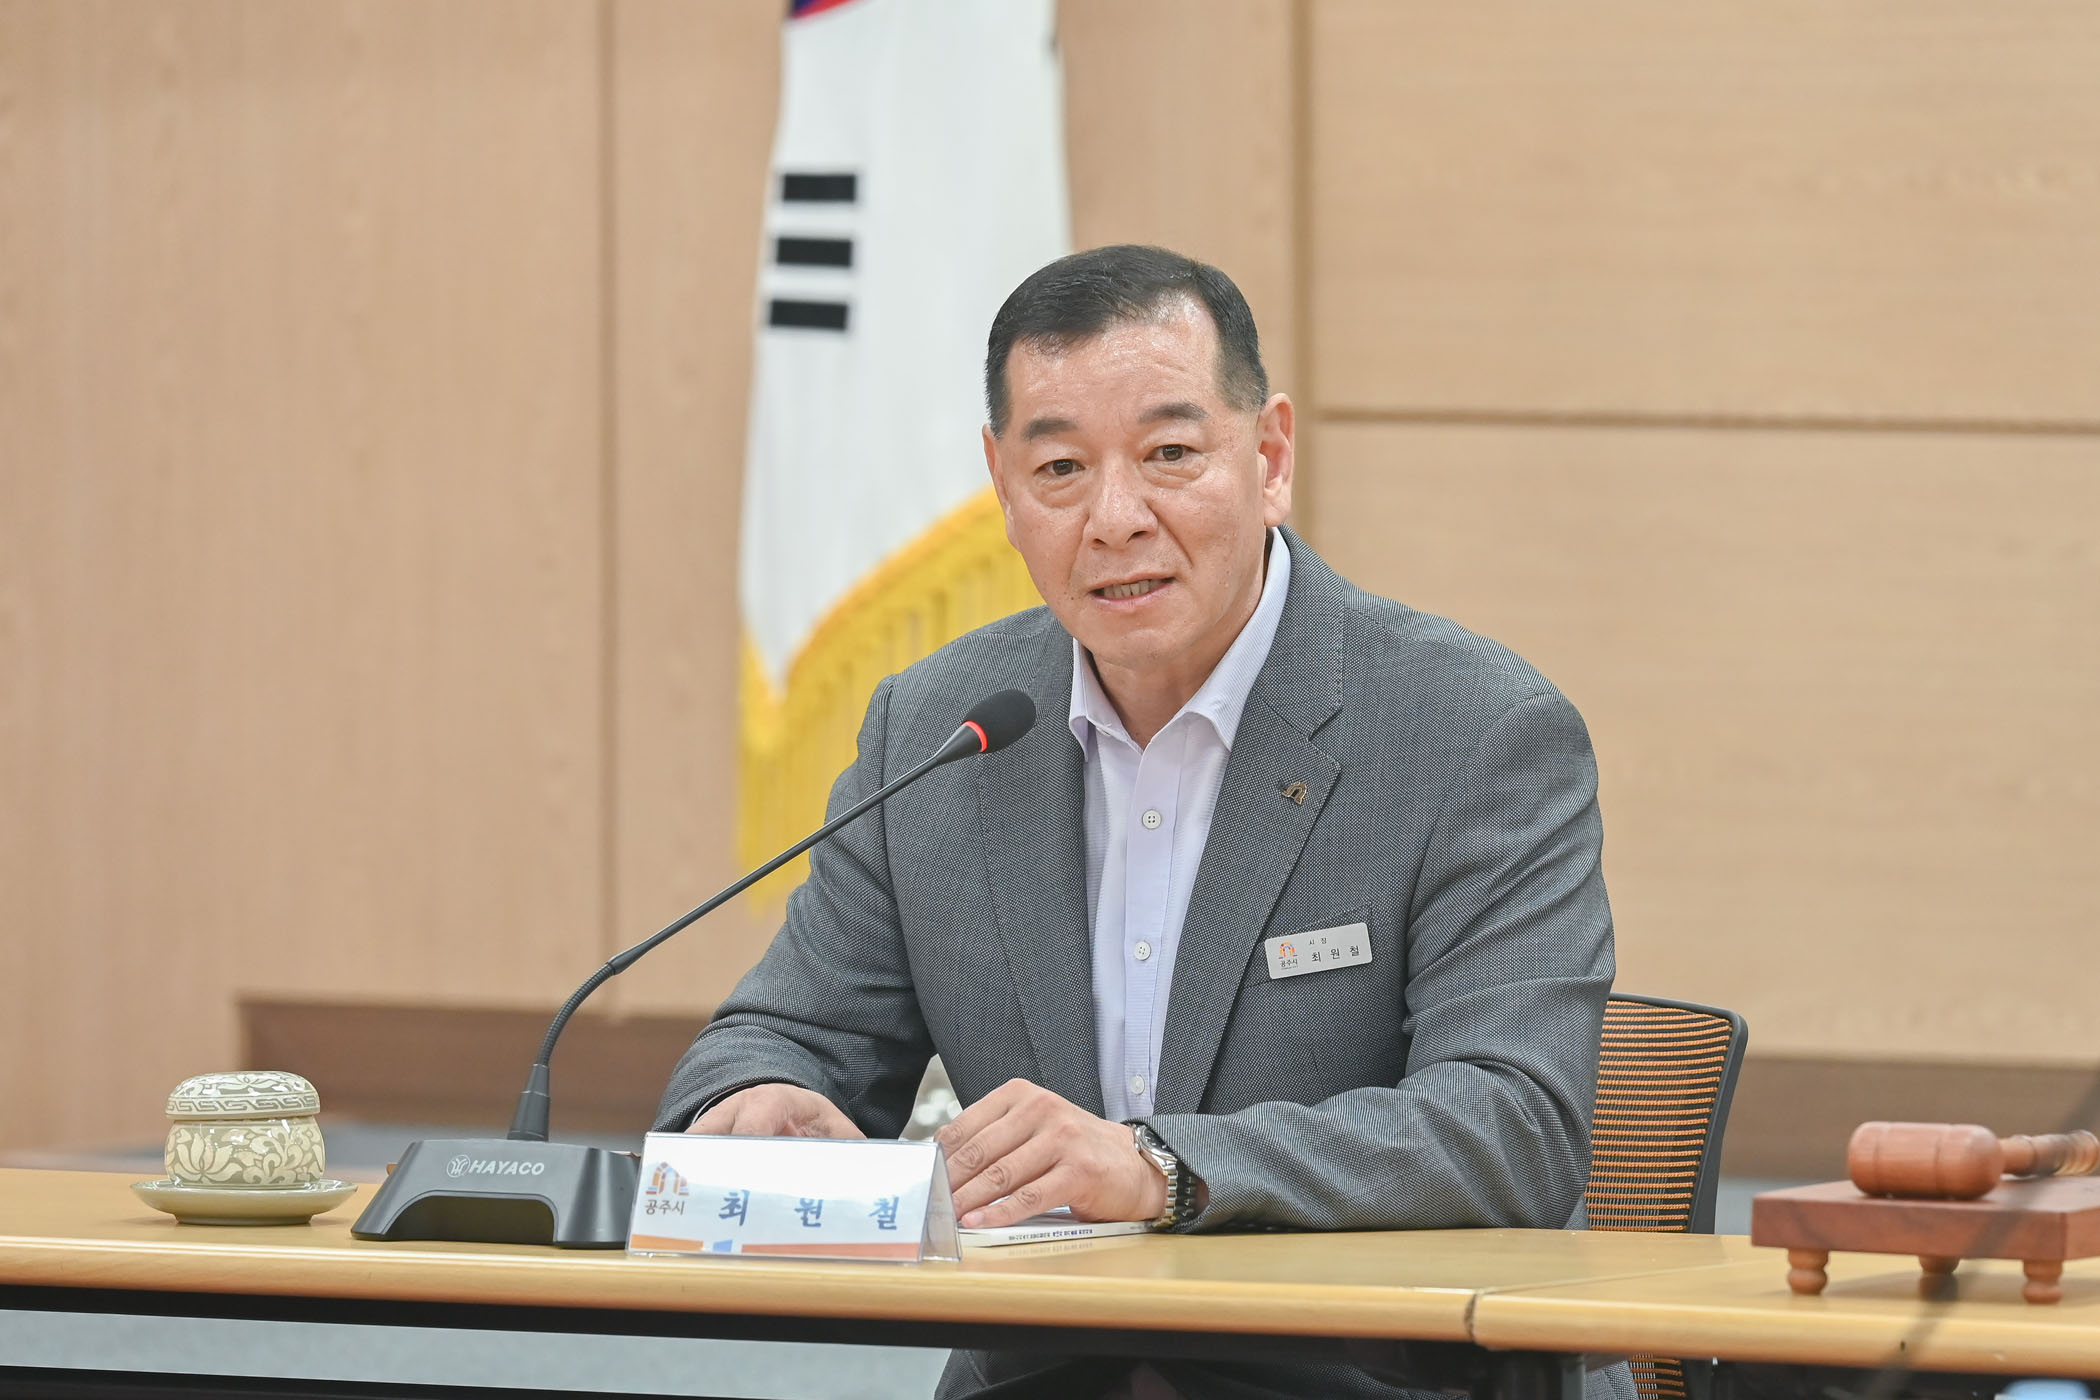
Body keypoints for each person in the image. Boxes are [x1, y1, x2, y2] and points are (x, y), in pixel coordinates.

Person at [657, 245, 1619, 1400]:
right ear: (1003, 487)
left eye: (1170, 455)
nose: (1115, 519)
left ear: (1268, 457)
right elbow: (780, 1032)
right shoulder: (941, 729)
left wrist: (1160, 1168)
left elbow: (1513, 1123)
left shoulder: (1473, 730)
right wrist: (753, 1101)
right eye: (1060, 468)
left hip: (1371, 1378)